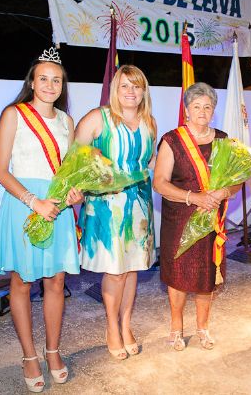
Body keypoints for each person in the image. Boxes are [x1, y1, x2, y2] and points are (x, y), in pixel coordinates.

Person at [0, 48, 82, 392]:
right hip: (24, 205)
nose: (50, 85)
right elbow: (0, 171)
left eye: (56, 80)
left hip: (56, 206)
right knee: (23, 281)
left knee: (56, 280)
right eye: (43, 78)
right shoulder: (13, 114)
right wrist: (34, 202)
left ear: (62, 85)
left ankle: (52, 350)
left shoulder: (67, 121)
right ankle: (29, 355)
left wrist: (75, 194)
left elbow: (69, 172)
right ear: (31, 81)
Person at [75, 65, 156, 360]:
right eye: (124, 86)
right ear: (115, 90)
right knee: (115, 271)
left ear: (143, 91)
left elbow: (148, 162)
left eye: (136, 86)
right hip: (107, 207)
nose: (131, 92)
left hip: (139, 206)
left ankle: (126, 324)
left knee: (132, 268)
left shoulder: (149, 122)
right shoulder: (98, 118)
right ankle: (111, 327)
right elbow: (74, 158)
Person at [153, 82, 239, 351]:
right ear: (186, 110)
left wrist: (223, 192)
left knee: (206, 276)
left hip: (211, 219)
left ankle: (203, 327)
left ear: (214, 110)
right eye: (196, 106)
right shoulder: (172, 140)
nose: (202, 111)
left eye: (208, 107)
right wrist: (193, 197)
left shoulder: (223, 140)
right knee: (178, 274)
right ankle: (176, 327)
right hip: (179, 219)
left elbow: (238, 180)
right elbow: (160, 183)